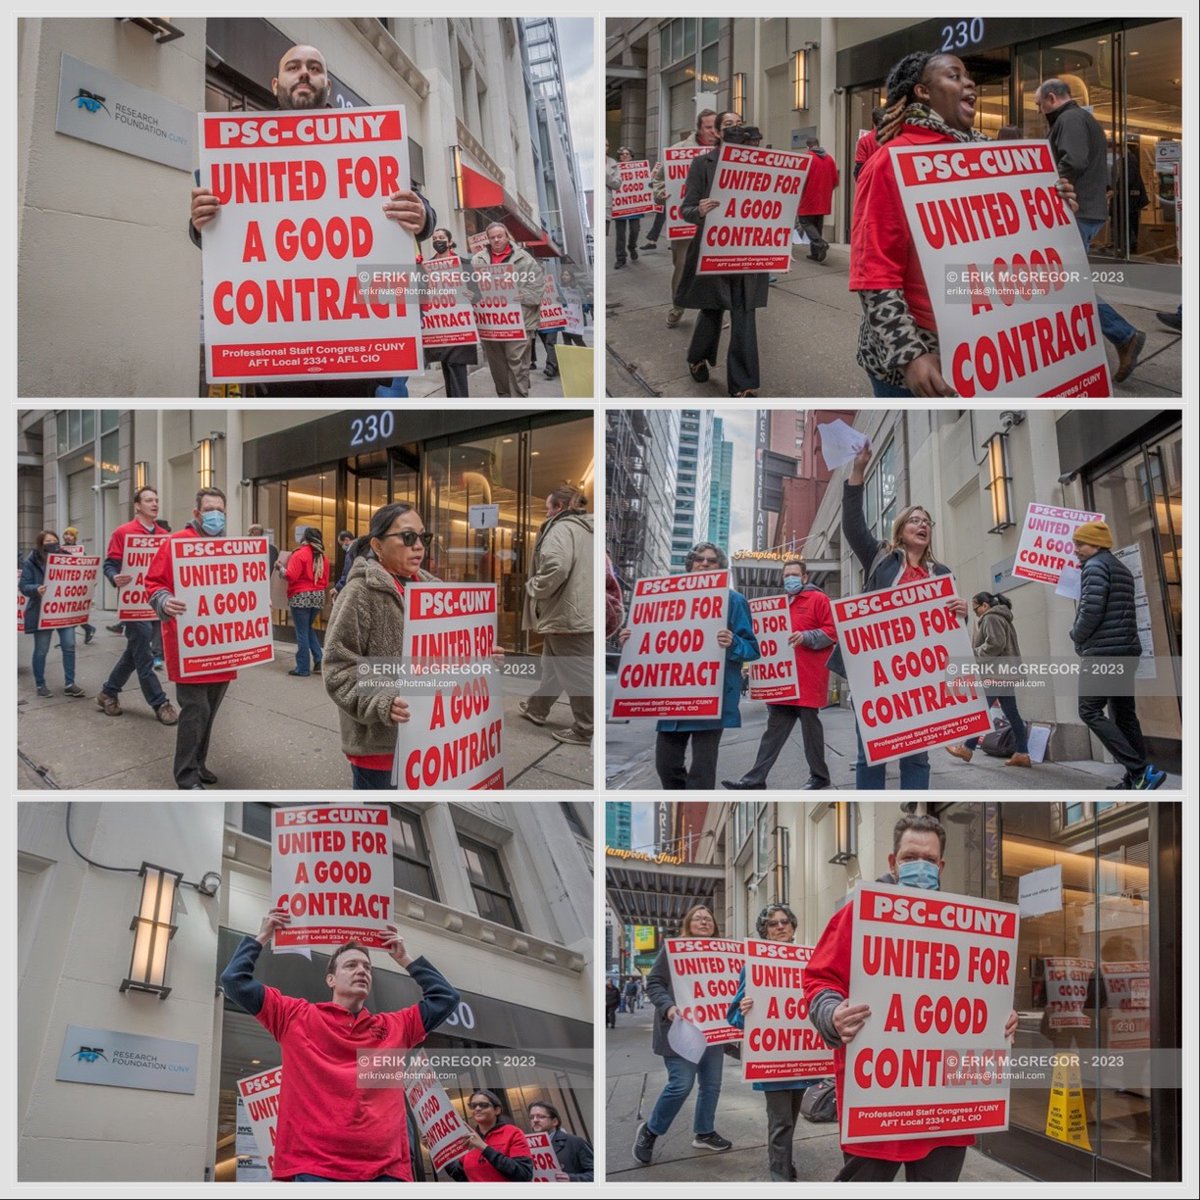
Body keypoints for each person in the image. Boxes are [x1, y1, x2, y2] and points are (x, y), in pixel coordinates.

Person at [188, 44, 435, 399]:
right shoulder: (236, 148)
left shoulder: (369, 142)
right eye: (294, 66)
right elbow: (213, 237)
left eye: (314, 67)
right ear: (276, 84)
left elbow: (419, 208)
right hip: (274, 363)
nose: (304, 72)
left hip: (358, 362)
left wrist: (423, 215)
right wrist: (199, 223)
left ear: (327, 85)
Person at [803, 814, 1019, 1181]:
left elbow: (979, 996)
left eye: (930, 859)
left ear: (942, 865)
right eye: (909, 857)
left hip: (946, 1108)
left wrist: (999, 1017)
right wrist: (831, 1013)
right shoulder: (860, 913)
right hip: (876, 1104)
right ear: (892, 862)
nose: (921, 865)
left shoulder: (967, 923)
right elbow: (820, 980)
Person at [851, 52, 1079, 398]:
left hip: (990, 349)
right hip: (923, 357)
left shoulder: (993, 158)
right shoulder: (889, 162)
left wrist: (1053, 209)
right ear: (923, 92)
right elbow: (874, 273)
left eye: (968, 76)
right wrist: (910, 355)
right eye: (954, 76)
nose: (969, 83)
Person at [219, 906, 459, 1181]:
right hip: (315, 1171)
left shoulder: (396, 1026)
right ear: (330, 979)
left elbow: (446, 998)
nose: (362, 971)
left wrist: (406, 959)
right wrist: (262, 936)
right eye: (351, 965)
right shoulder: (294, 1016)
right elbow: (234, 980)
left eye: (367, 967)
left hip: (385, 1174)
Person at [837, 439, 966, 789]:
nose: (922, 525)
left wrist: (961, 611)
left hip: (919, 680)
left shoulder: (941, 574)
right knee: (871, 755)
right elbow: (851, 525)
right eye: (914, 520)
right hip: (876, 675)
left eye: (926, 522)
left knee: (918, 757)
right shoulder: (879, 556)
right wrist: (859, 470)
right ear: (901, 529)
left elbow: (952, 632)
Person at [619, 541, 759, 789]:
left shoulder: (734, 601)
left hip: (711, 698)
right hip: (673, 699)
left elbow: (752, 649)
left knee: (702, 773)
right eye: (699, 559)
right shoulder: (665, 599)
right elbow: (654, 643)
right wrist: (632, 640)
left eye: (711, 560)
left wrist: (734, 641)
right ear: (690, 565)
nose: (704, 563)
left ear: (720, 567)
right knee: (666, 766)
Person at [1033, 79, 1145, 384]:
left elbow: (1074, 160)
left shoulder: (1068, 119)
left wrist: (1049, 184)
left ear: (1052, 98)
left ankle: (1125, 336)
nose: (1039, 110)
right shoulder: (1085, 119)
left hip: (1076, 212)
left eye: (1039, 104)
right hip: (1086, 210)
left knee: (1069, 287)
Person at [322, 502, 437, 789]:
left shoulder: (434, 590)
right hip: (379, 750)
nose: (419, 546)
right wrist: (383, 701)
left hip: (428, 742)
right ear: (378, 544)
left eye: (424, 537)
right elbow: (339, 668)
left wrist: (480, 656)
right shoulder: (359, 593)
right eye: (408, 537)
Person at [145, 487, 245, 788]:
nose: (216, 515)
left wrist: (254, 599)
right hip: (189, 646)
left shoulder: (228, 548)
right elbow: (153, 583)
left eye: (220, 510)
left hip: (222, 648)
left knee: (209, 712)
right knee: (195, 710)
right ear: (197, 513)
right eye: (210, 509)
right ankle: (186, 775)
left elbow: (239, 588)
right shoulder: (175, 544)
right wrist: (163, 601)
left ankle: (198, 764)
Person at [676, 112, 768, 397]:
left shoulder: (761, 165)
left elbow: (775, 207)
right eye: (728, 125)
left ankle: (744, 384)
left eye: (739, 124)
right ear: (716, 133)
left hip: (748, 251)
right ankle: (698, 357)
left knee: (744, 313)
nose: (735, 128)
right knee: (713, 308)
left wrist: (777, 251)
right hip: (714, 250)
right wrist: (700, 210)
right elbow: (686, 209)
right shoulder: (702, 164)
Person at [1070, 520, 1166, 790]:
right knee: (1124, 715)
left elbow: (1091, 611)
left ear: (1097, 544)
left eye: (1080, 544)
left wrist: (1075, 634)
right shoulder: (1120, 567)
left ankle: (1139, 770)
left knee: (1089, 710)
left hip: (1104, 653)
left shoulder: (1095, 566)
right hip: (1125, 651)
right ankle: (1135, 778)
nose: (1075, 549)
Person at [723, 558, 835, 790]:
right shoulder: (778, 605)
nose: (790, 579)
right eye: (786, 575)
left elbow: (832, 632)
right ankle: (755, 779)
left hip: (807, 678)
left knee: (810, 732)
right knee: (772, 734)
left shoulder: (819, 599)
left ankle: (820, 777)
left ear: (805, 578)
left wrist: (807, 637)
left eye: (794, 574)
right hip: (783, 682)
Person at [634, 904, 733, 1164]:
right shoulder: (673, 949)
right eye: (698, 919)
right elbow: (653, 982)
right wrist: (668, 1008)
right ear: (688, 925)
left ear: (714, 926)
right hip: (682, 1030)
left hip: (713, 1032)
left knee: (711, 1086)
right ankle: (650, 1131)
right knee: (680, 1085)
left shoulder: (721, 953)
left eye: (708, 919)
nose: (703, 922)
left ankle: (704, 1132)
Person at [727, 903, 815, 1181]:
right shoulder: (753, 965)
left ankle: (783, 1164)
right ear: (764, 931)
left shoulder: (809, 962)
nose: (780, 926)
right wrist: (745, 1010)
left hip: (799, 1059)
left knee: (789, 1119)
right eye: (773, 923)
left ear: (793, 926)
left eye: (785, 922)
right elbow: (733, 1016)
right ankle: (780, 1175)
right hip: (772, 1060)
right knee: (781, 1122)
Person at [96, 486, 178, 726]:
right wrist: (114, 577)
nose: (154, 503)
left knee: (134, 653)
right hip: (133, 605)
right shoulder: (123, 532)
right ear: (137, 505)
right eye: (149, 500)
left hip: (156, 604)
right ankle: (160, 703)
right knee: (144, 654)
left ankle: (108, 692)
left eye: (156, 499)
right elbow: (110, 564)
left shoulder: (164, 535)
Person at [519, 485, 594, 746]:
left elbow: (555, 566)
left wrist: (534, 587)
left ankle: (586, 729)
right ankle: (536, 709)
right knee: (553, 667)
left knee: (576, 674)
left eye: (548, 507)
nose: (546, 513)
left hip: (567, 616)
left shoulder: (560, 528)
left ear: (559, 507)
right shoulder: (590, 528)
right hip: (580, 613)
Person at [945, 591, 1032, 768]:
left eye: (976, 608)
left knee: (981, 710)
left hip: (997, 673)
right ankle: (1022, 753)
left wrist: (974, 653)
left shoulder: (991, 618)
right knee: (1012, 714)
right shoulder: (1002, 617)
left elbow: (995, 644)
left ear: (985, 605)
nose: (975, 612)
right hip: (1005, 673)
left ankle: (967, 748)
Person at [654, 109, 719, 327]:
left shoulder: (726, 151)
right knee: (681, 265)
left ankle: (712, 313)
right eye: (708, 127)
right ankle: (678, 306)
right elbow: (657, 181)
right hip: (684, 220)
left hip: (714, 221)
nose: (712, 131)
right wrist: (660, 194)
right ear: (699, 128)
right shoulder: (677, 151)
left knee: (712, 268)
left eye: (715, 127)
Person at [469, 221, 545, 397]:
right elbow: (472, 289)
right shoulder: (477, 260)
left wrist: (517, 294)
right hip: (490, 324)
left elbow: (536, 292)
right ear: (488, 239)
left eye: (500, 236)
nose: (496, 240)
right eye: (492, 237)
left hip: (520, 323)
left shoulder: (525, 260)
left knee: (517, 364)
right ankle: (504, 398)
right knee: (498, 368)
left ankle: (519, 398)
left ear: (507, 236)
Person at [21, 531, 85, 699]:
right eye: (48, 541)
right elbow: (24, 586)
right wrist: (36, 589)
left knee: (69, 645)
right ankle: (40, 684)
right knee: (41, 650)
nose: (52, 543)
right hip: (42, 612)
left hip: (64, 611)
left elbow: (77, 578)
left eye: (55, 540)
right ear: (41, 544)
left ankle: (70, 684)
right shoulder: (32, 561)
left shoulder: (68, 557)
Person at [422, 227, 478, 396]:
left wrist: (472, 295)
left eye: (441, 237)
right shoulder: (426, 267)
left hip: (459, 328)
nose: (437, 241)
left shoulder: (464, 264)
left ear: (449, 241)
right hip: (439, 329)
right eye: (434, 239)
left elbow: (478, 294)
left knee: (457, 369)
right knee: (447, 370)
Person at [442, 1091, 534, 1182]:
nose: (477, 1109)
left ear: (497, 1110)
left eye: (483, 1105)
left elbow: (524, 1174)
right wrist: (439, 1150)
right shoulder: (469, 1138)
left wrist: (484, 1148)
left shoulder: (513, 1133)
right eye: (473, 1106)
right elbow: (460, 1176)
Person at [284, 526, 329, 677]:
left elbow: (291, 576)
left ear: (305, 538)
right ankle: (319, 660)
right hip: (318, 596)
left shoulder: (299, 554)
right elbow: (326, 579)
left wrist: (280, 569)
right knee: (308, 628)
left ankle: (302, 667)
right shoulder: (323, 557)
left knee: (301, 631)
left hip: (300, 596)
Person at [797, 137, 839, 263]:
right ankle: (815, 253)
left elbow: (801, 179)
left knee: (804, 221)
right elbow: (835, 180)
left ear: (808, 146)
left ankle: (820, 244)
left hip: (809, 197)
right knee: (817, 224)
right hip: (824, 198)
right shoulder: (829, 159)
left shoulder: (808, 158)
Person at [528, 1100, 594, 1181]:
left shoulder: (575, 1142)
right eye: (531, 1117)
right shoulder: (528, 1147)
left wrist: (571, 1178)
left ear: (555, 1121)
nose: (535, 1120)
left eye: (541, 1117)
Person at [60, 527, 95, 642]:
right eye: (66, 534)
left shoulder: (80, 551)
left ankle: (68, 639)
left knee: (72, 612)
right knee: (66, 613)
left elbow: (86, 567)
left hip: (76, 585)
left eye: (71, 535)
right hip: (63, 585)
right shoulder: (59, 550)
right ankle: (87, 629)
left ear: (75, 538)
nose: (68, 537)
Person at [611, 147, 643, 270]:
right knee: (620, 234)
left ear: (631, 156)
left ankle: (632, 246)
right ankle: (621, 258)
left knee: (635, 230)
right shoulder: (614, 169)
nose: (624, 156)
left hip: (634, 206)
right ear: (619, 157)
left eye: (627, 154)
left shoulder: (639, 168)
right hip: (620, 206)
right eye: (622, 154)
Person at [852, 107, 885, 180]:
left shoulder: (864, 141)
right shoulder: (894, 138)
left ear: (873, 121)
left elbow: (859, 168)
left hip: (870, 182)